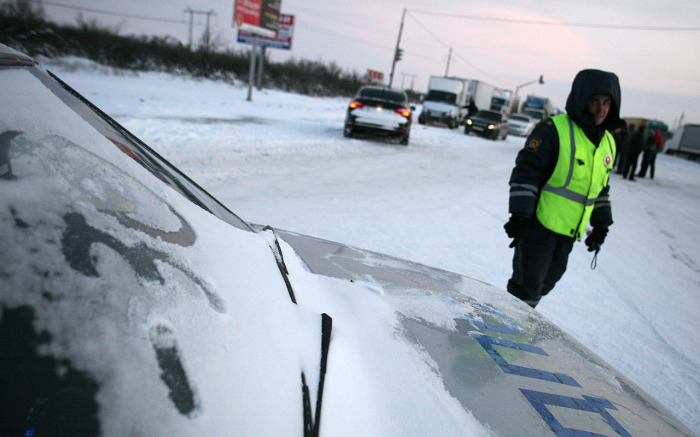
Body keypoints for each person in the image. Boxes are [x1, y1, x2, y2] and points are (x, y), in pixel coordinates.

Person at [503, 69, 624, 308]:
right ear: (581, 100)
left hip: (569, 232)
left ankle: (510, 326)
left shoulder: (608, 142)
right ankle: (500, 333)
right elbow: (526, 172)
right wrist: (520, 214)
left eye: (607, 103)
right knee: (526, 288)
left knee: (546, 283)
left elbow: (600, 188)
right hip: (538, 226)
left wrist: (601, 226)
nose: (601, 110)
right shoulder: (552, 130)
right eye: (594, 102)